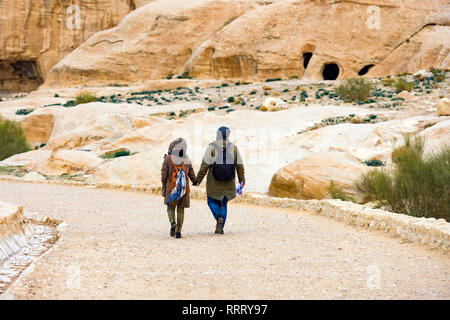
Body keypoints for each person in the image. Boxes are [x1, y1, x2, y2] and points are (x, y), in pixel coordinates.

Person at [196, 126, 245, 234]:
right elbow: (240, 166)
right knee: (224, 203)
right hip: (229, 181)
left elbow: (205, 165)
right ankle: (220, 227)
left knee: (211, 201)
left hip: (214, 182)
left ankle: (218, 218)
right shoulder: (234, 148)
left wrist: (198, 179)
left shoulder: (211, 147)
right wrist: (242, 181)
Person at [161, 138, 197, 238]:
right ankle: (178, 232)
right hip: (184, 189)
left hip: (171, 188)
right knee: (181, 209)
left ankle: (173, 222)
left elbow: (163, 175)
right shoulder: (186, 158)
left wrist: (164, 187)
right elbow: (191, 173)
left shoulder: (168, 158)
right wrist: (195, 181)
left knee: (170, 206)